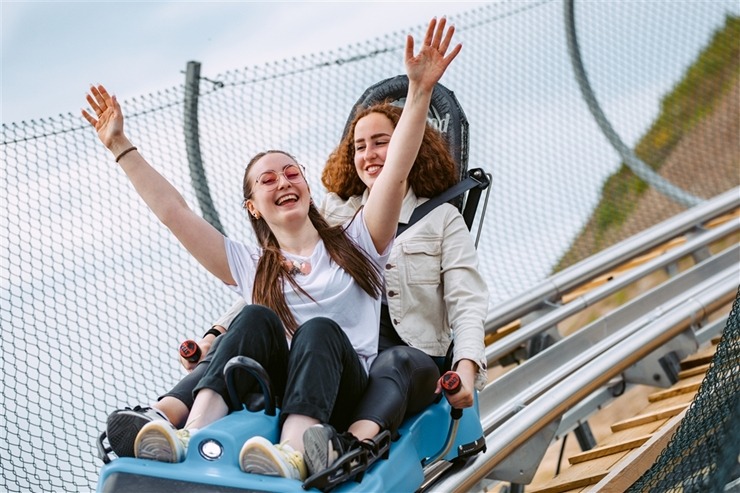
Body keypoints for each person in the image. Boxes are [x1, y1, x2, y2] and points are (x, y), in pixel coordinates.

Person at [83, 16, 462, 482]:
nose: (282, 182)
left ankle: (295, 448)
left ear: (304, 185)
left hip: (342, 393)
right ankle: (188, 431)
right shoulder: (254, 266)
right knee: (254, 317)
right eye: (267, 180)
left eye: (291, 173)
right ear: (254, 206)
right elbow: (175, 214)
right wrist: (122, 147)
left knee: (318, 330)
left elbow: (395, 172)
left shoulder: (359, 242)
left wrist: (420, 91)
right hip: (276, 387)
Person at [299, 100, 489, 475]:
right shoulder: (334, 215)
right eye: (359, 146)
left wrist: (466, 369)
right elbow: (279, 275)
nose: (369, 155)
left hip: (411, 359)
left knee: (394, 362)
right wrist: (217, 332)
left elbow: (467, 301)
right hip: (351, 356)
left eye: (381, 142)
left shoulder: (441, 218)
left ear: (408, 143)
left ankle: (354, 450)